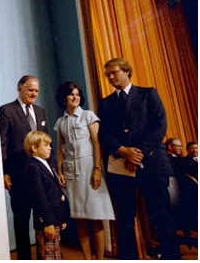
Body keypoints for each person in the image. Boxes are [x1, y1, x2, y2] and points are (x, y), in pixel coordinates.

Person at [97, 58, 180, 259]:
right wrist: (123, 151)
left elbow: (159, 125)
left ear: (127, 71)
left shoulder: (148, 93)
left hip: (151, 164)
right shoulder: (105, 103)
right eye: (107, 74)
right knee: (125, 219)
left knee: (161, 215)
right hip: (120, 167)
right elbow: (104, 134)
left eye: (114, 72)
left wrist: (137, 153)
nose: (110, 77)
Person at [53, 81, 116, 260]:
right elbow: (60, 148)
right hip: (71, 171)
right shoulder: (60, 122)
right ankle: (87, 259)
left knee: (95, 217)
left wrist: (97, 169)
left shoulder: (88, 116)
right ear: (63, 98)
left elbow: (97, 144)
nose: (76, 98)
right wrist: (60, 170)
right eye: (71, 94)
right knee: (79, 218)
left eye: (78, 94)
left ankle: (100, 259)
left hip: (90, 169)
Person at [0, 75, 52, 260]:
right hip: (18, 176)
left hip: (40, 175)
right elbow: (2, 144)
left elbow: (46, 145)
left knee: (42, 219)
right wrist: (4, 172)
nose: (34, 94)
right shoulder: (6, 110)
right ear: (19, 89)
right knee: (21, 222)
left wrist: (52, 171)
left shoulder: (41, 112)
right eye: (30, 90)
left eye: (36, 91)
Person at [24, 131, 70, 260]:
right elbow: (40, 197)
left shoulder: (47, 163)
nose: (50, 147)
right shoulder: (33, 167)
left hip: (55, 218)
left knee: (55, 254)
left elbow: (55, 193)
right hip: (47, 221)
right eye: (46, 145)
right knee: (48, 255)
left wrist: (61, 218)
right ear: (34, 148)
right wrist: (48, 223)